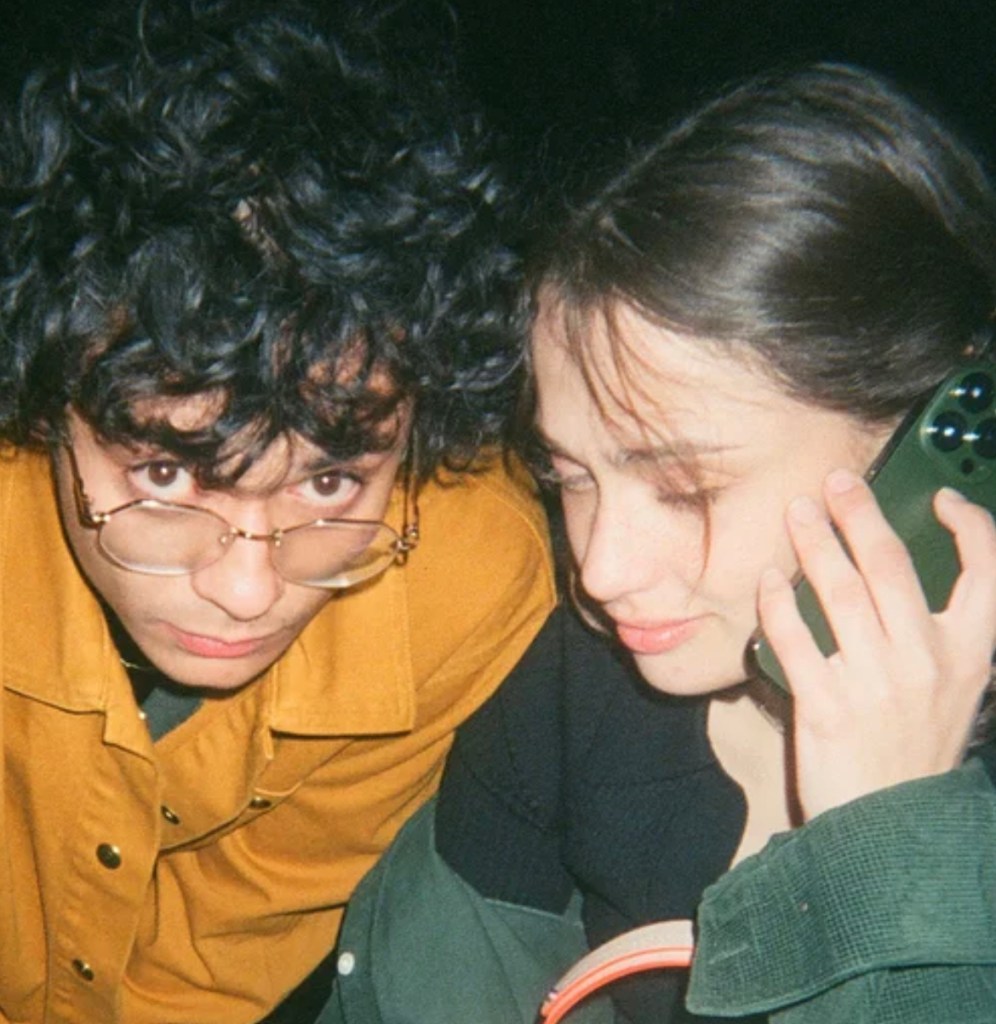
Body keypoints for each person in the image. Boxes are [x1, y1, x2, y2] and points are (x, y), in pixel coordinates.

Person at [321, 63, 996, 1023]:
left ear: (935, 450)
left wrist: (888, 857)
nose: (601, 570)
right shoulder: (580, 683)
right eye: (570, 474)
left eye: (686, 489)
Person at [0, 2, 556, 1022]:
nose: (249, 591)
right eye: (166, 474)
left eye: (330, 482)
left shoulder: (468, 586)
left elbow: (214, 960)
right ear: (43, 404)